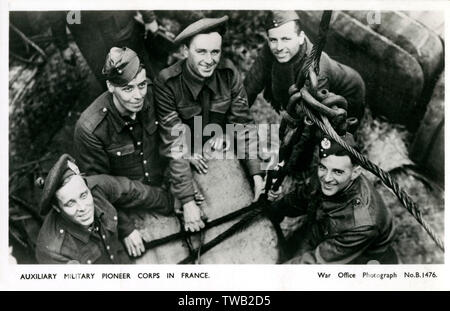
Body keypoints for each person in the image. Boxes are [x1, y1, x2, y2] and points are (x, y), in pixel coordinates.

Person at [154, 16, 265, 232]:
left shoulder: (228, 73)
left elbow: (242, 123)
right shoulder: (167, 82)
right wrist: (187, 201)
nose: (209, 60)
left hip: (218, 149)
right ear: (185, 51)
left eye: (215, 52)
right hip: (182, 155)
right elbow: (173, 140)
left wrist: (257, 175)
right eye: (201, 52)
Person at [74, 47, 171, 257]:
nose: (138, 96)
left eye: (142, 85)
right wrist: (124, 227)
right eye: (127, 89)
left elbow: (171, 137)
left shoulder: (152, 93)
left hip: (164, 187)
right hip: (127, 206)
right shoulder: (90, 129)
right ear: (110, 86)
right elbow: (95, 186)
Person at [266, 133, 398, 264]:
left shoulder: (361, 223)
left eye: (338, 172)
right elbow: (302, 196)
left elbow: (317, 263)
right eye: (322, 167)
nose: (327, 179)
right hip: (326, 231)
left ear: (355, 173)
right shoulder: (327, 174)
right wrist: (275, 210)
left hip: (357, 256)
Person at [35, 154, 172, 264]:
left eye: (84, 195)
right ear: (56, 208)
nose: (83, 208)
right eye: (70, 203)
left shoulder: (97, 187)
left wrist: (173, 203)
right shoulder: (52, 251)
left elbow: (134, 191)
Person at [244, 11, 365, 123]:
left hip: (350, 90)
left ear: (301, 37)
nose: (279, 47)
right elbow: (249, 87)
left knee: (335, 132)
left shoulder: (316, 70)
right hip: (321, 80)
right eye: (273, 40)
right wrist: (229, 122)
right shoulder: (273, 46)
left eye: (286, 39)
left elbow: (307, 120)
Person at [50, 11, 161, 85]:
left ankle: (160, 108)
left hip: (118, 22)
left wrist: (148, 16)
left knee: (140, 69)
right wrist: (63, 45)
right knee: (109, 81)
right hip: (87, 35)